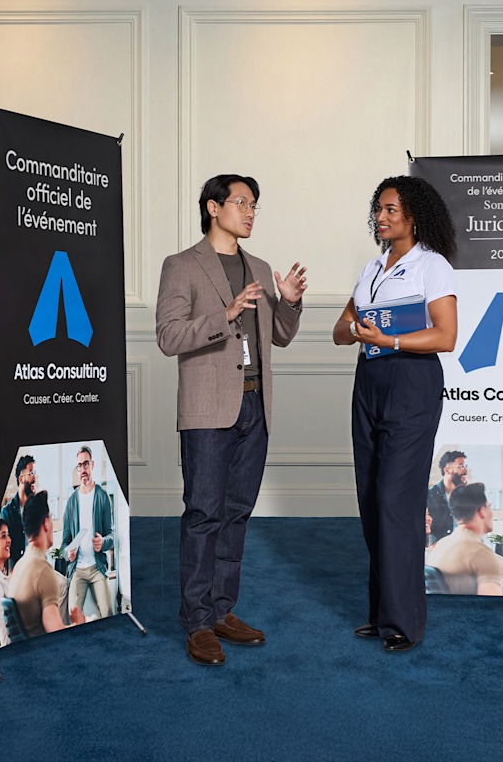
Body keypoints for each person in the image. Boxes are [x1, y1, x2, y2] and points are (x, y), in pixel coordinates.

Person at [156, 174, 306, 665]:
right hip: (207, 410)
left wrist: (289, 300)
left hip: (254, 407)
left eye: (255, 205)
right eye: (241, 202)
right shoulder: (181, 265)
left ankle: (222, 610)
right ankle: (197, 622)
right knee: (204, 515)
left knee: (237, 512)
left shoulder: (259, 267)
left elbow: (279, 336)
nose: (250, 212)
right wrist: (224, 314)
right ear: (212, 207)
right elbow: (169, 336)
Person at [333, 175, 458, 652]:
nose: (381, 217)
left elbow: (445, 336)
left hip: (411, 382)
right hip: (369, 383)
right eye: (379, 209)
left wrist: (391, 339)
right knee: (370, 497)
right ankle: (381, 612)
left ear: (413, 215)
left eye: (390, 209)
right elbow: (340, 330)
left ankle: (404, 621)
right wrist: (355, 330)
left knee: (396, 500)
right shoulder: (372, 267)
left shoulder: (433, 266)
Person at [7, 491, 85, 638]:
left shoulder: (19, 566)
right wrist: (78, 624)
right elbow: (57, 636)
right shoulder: (42, 569)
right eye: (50, 518)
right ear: (45, 524)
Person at [427, 483, 503, 596]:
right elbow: (493, 608)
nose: (491, 513)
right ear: (482, 511)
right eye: (490, 507)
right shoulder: (481, 553)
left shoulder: (441, 545)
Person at [62, 445, 114, 619]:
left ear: (92, 465)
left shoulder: (102, 497)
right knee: (73, 615)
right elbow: (64, 543)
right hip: (78, 569)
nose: (83, 469)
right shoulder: (71, 503)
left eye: (85, 464)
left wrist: (103, 542)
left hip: (97, 568)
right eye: (79, 465)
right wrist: (67, 553)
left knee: (108, 611)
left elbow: (111, 535)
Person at [0, 453, 36, 569]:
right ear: (21, 479)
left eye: (34, 473)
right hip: (16, 568)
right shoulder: (7, 512)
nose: (34, 478)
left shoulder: (35, 509)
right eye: (31, 473)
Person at [427, 450, 468, 544]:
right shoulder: (429, 496)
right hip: (438, 552)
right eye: (461, 466)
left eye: (466, 466)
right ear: (447, 470)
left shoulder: (467, 496)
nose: (465, 470)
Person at [0, 519, 12, 647]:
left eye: (8, 535)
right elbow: (2, 627)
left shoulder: (4, 575)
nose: (9, 540)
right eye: (3, 536)